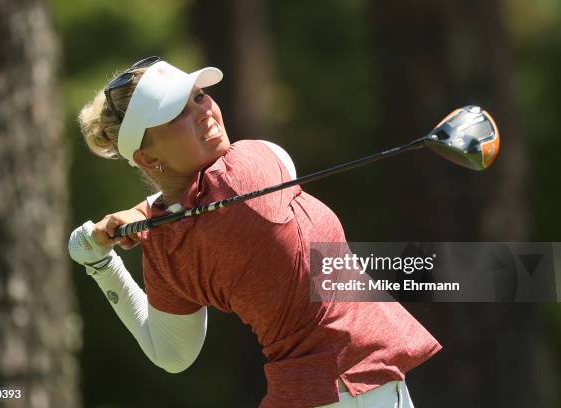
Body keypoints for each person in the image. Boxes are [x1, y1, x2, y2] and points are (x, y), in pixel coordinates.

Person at [68, 56, 442, 408]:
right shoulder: (252, 163)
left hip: (315, 393)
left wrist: (100, 261)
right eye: (178, 112)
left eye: (199, 96)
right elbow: (274, 161)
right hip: (353, 390)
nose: (203, 111)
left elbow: (172, 356)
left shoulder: (165, 248)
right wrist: (146, 214)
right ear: (148, 158)